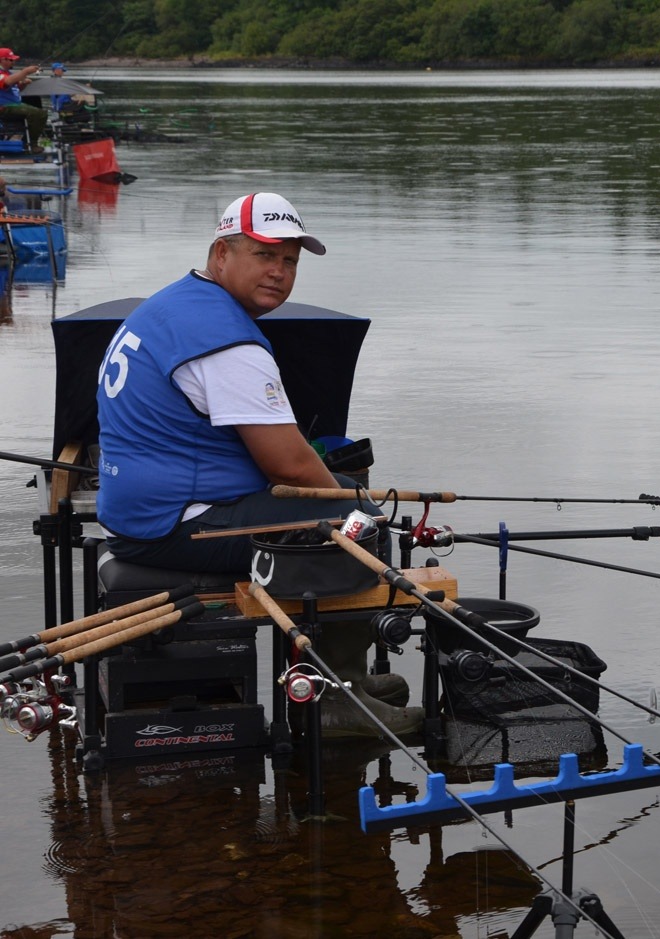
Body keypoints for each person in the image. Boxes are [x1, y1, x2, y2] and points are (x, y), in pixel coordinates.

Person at [96, 192, 423, 737]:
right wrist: (355, 510)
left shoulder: (174, 304)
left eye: (289, 260)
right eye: (263, 255)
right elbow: (291, 468)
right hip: (175, 524)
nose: (278, 272)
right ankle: (334, 700)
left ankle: (343, 680)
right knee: (359, 526)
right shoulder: (226, 341)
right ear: (221, 253)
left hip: (138, 510)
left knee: (345, 499)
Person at [0, 48, 47, 151]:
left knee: (40, 112)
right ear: (3, 60)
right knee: (39, 114)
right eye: (11, 60)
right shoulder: (3, 74)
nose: (14, 61)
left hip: (14, 105)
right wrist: (25, 71)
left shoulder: (9, 73)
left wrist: (23, 84)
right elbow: (7, 82)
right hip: (4, 107)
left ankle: (28, 141)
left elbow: (15, 88)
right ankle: (31, 144)